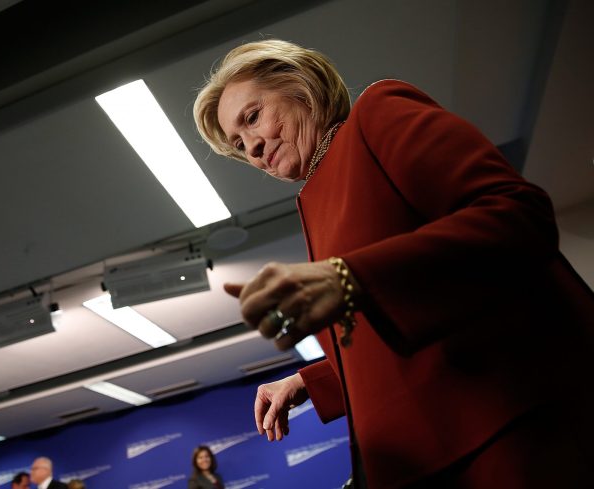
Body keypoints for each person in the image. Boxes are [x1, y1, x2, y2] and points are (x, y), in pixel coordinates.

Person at [193, 39, 594, 488]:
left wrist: (347, 277)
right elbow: (404, 332)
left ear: (299, 87)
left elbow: (519, 216)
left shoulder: (376, 114)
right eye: (239, 143)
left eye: (253, 118)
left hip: (516, 436)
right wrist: (310, 381)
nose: (253, 146)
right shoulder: (315, 201)